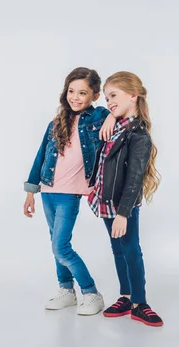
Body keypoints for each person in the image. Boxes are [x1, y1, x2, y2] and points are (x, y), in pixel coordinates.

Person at [23, 67, 115, 316]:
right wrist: (31, 191)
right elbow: (41, 155)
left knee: (61, 247)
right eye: (71, 91)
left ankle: (91, 292)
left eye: (82, 93)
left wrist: (110, 117)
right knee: (56, 243)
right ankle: (67, 290)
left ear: (94, 95)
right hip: (48, 190)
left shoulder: (98, 117)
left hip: (70, 194)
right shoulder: (56, 122)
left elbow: (115, 116)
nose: (75, 97)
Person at [87, 71, 163, 327]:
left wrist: (123, 213)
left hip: (123, 206)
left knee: (131, 249)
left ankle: (140, 303)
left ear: (133, 95)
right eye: (107, 97)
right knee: (117, 249)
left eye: (114, 96)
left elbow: (134, 179)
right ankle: (126, 296)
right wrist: (110, 113)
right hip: (105, 201)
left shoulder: (138, 135)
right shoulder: (115, 124)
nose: (109, 101)